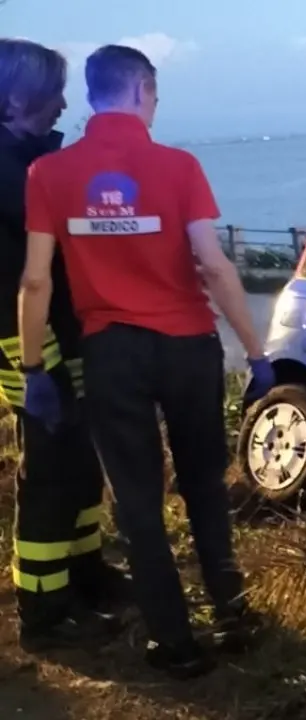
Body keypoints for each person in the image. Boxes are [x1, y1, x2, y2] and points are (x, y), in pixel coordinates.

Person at [17, 44, 276, 679]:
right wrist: (258, 350)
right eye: (154, 96)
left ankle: (174, 642)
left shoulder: (48, 174)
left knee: (137, 499)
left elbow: (35, 282)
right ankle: (231, 612)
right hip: (188, 346)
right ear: (140, 91)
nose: (155, 106)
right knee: (204, 486)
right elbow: (213, 267)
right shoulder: (178, 166)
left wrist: (31, 369)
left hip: (109, 353)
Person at [0, 37, 129, 652]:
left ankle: (86, 572)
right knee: (50, 465)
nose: (62, 103)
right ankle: (44, 608)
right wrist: (32, 368)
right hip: (21, 337)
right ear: (14, 97)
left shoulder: (27, 154)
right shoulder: (6, 166)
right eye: (51, 91)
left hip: (62, 325)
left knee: (79, 456)